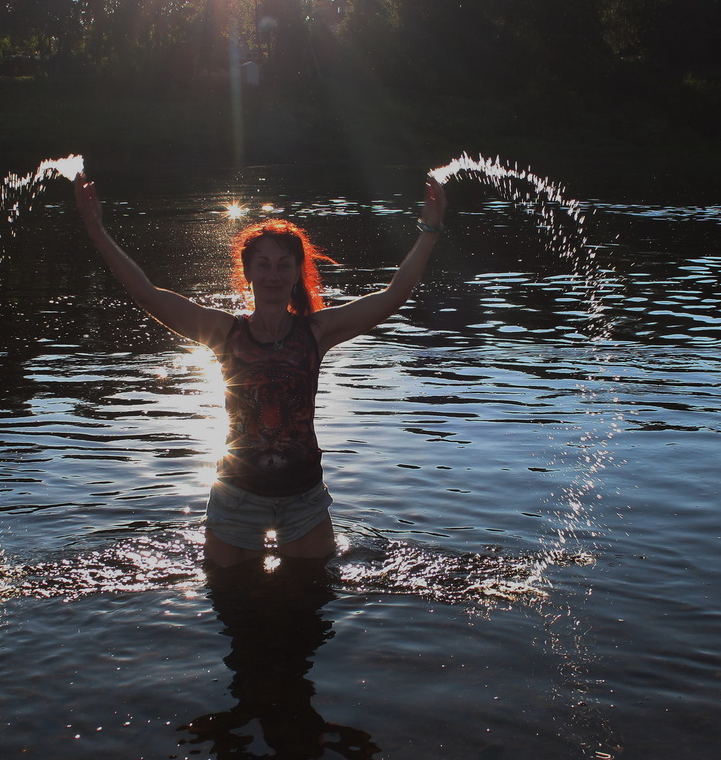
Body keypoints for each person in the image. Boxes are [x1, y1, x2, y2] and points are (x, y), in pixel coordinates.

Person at [74, 173, 447, 567]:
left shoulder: (316, 333)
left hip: (304, 499)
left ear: (297, 273)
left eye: (284, 265)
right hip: (237, 498)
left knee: (309, 607)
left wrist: (430, 230)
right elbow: (146, 294)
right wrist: (96, 229)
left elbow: (394, 295)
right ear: (248, 271)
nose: (273, 275)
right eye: (263, 265)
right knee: (234, 606)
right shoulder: (225, 333)